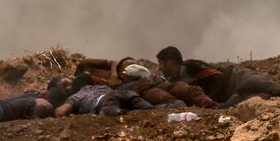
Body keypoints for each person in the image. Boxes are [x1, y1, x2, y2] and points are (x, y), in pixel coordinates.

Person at [156, 46, 280, 107]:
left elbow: (217, 76)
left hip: (238, 79)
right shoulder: (176, 84)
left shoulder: (191, 66)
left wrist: (217, 101)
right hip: (235, 95)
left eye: (162, 64)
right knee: (274, 100)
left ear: (171, 62)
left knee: (276, 88)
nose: (160, 68)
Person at [75, 57, 215, 108]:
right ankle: (182, 108)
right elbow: (84, 64)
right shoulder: (107, 84)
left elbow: (113, 61)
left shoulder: (147, 73)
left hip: (149, 80)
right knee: (164, 96)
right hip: (140, 87)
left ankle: (208, 103)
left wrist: (113, 70)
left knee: (182, 89)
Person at [54, 80, 154, 117]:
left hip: (106, 102)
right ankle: (169, 108)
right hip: (123, 93)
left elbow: (60, 112)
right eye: (64, 86)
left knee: (128, 117)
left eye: (66, 83)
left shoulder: (76, 96)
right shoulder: (96, 86)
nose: (68, 87)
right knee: (152, 111)